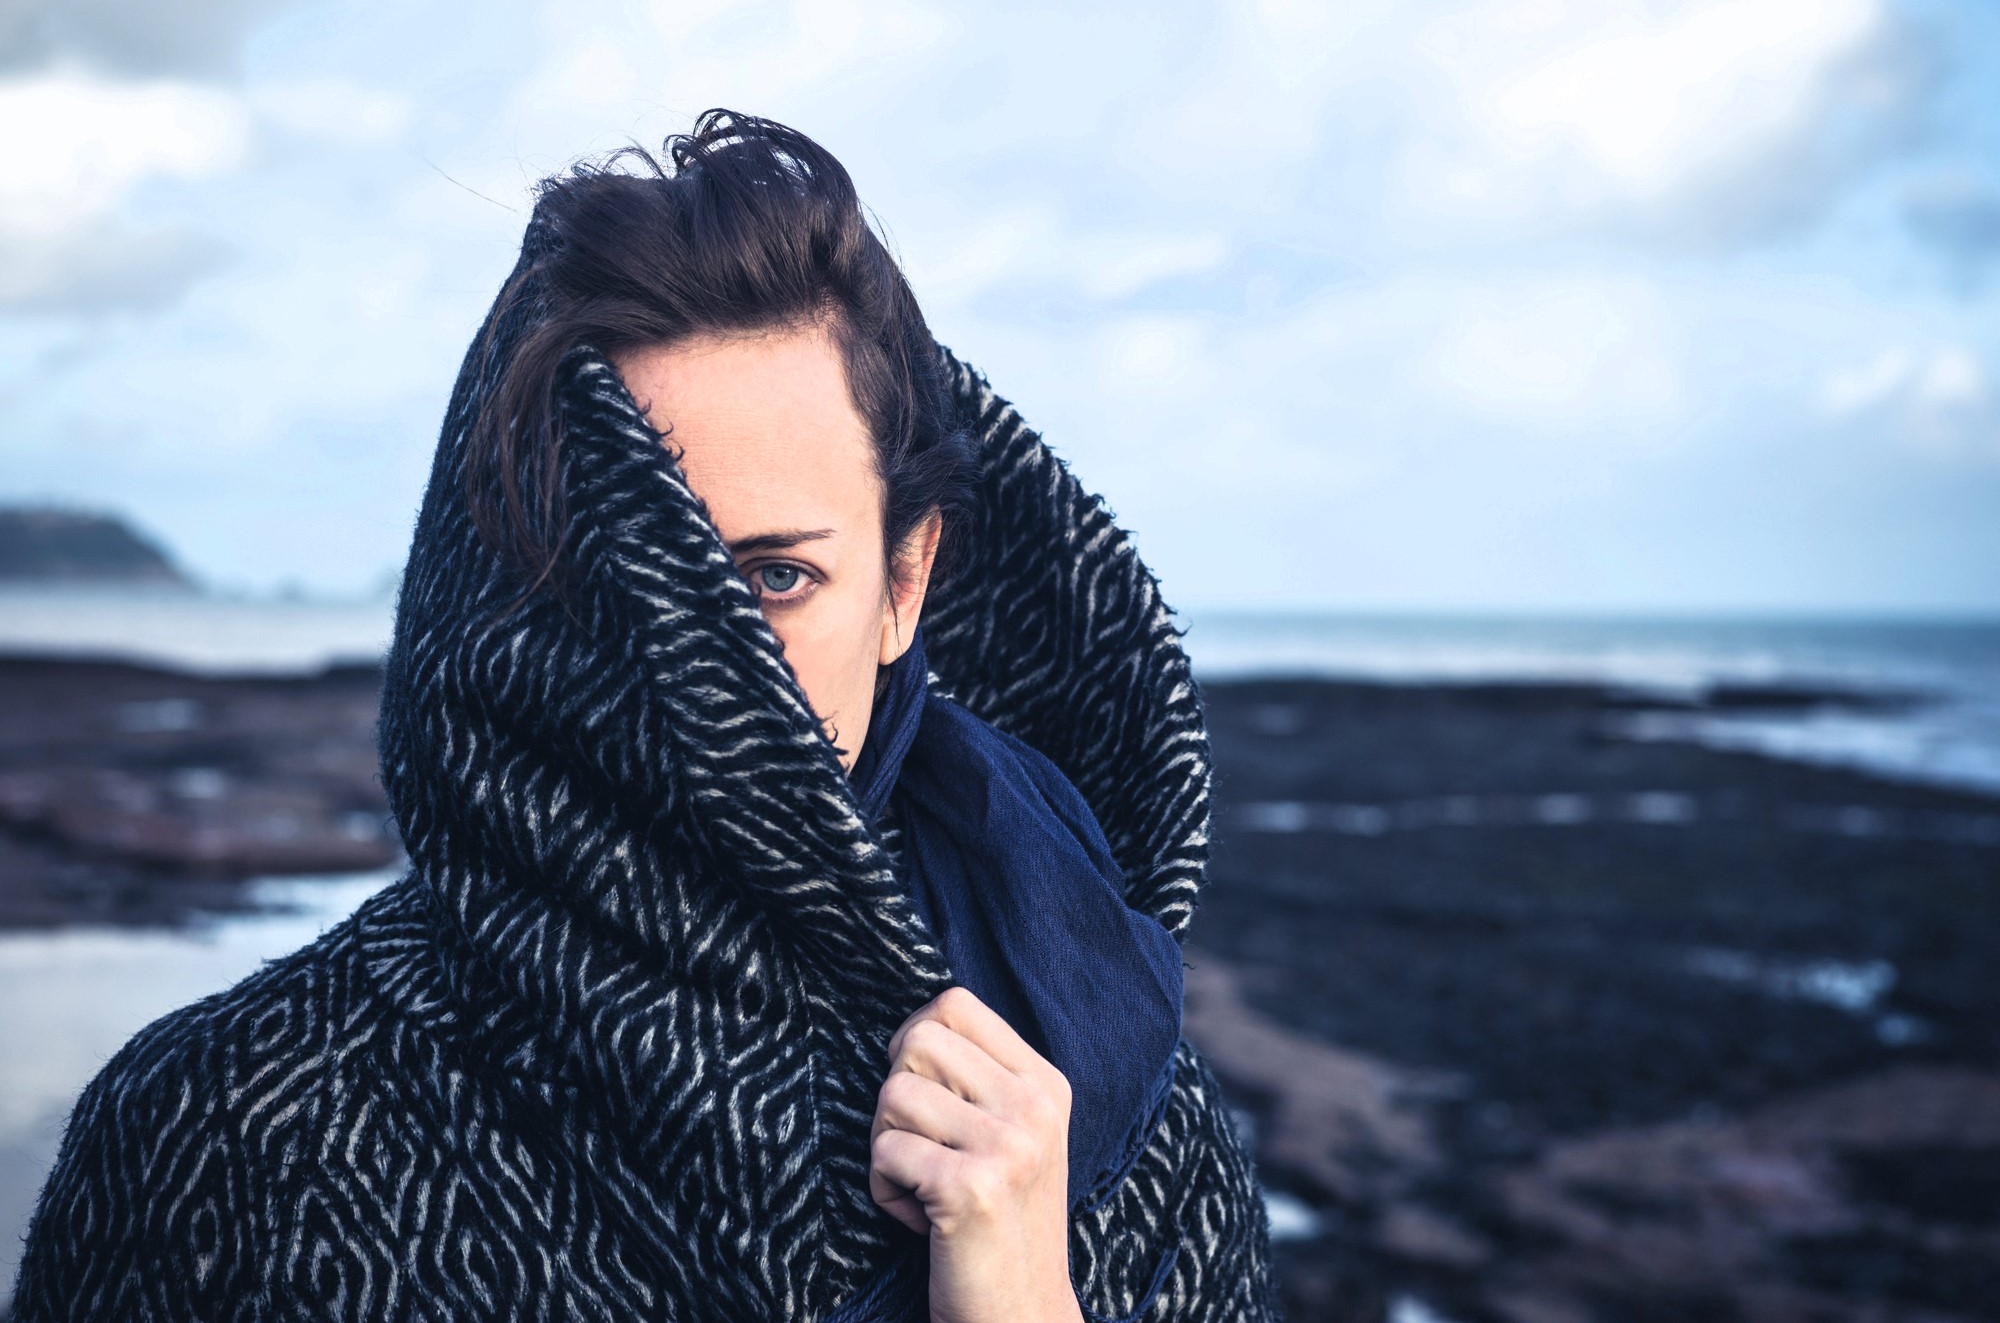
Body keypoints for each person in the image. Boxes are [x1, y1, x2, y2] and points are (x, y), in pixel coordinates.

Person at [10, 109, 1278, 1322]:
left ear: (904, 583)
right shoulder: (234, 1133)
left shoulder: (1125, 1121)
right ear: (512, 586)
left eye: (775, 579)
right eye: (634, 580)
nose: (700, 665)